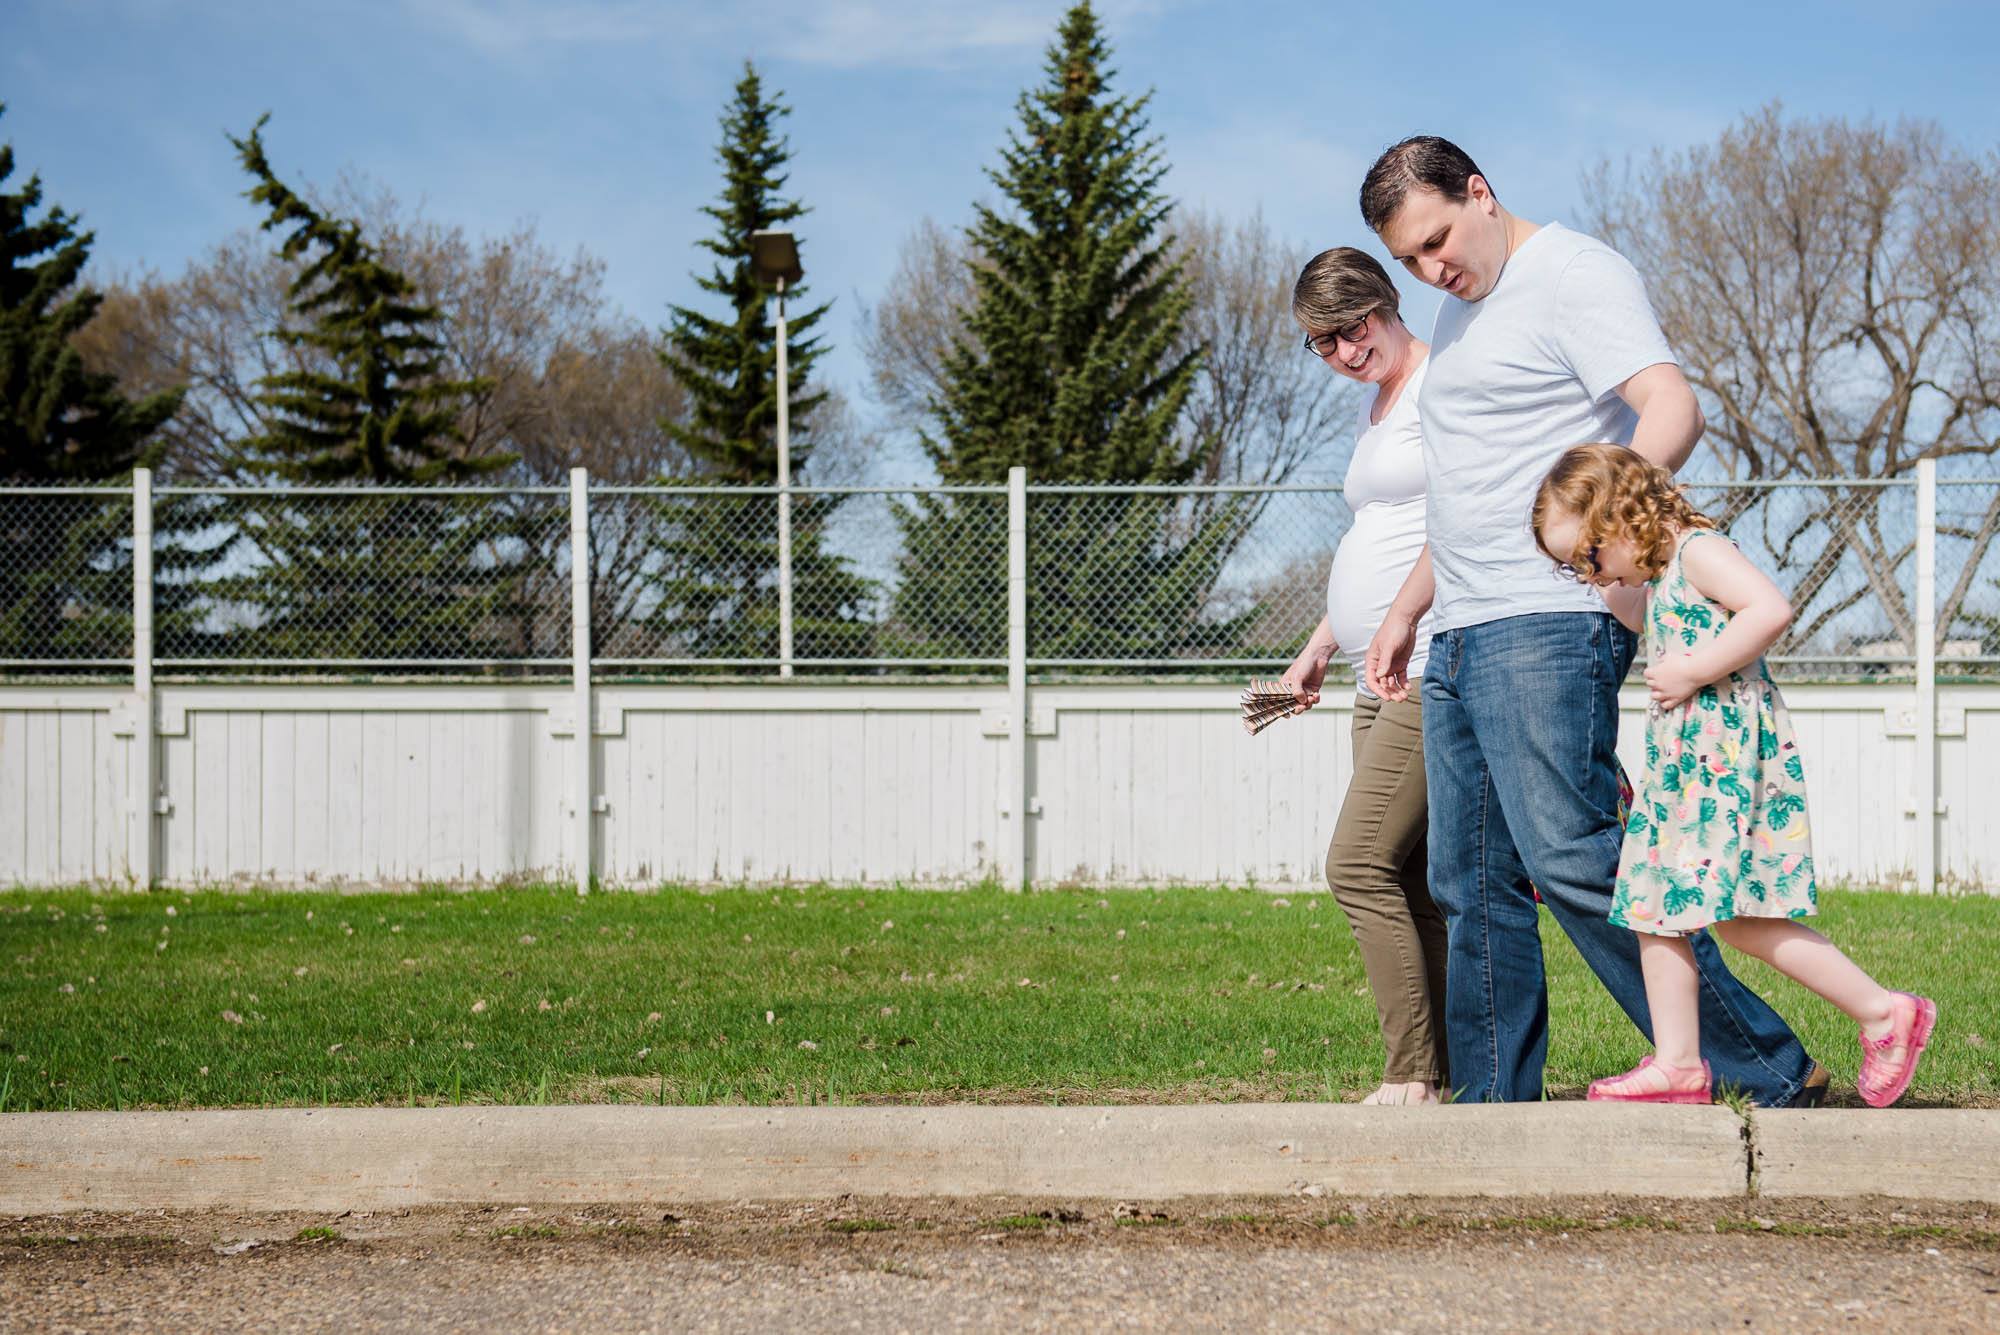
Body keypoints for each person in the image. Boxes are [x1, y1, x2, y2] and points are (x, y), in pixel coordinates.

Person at [1356, 135, 1825, 1105]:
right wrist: (1408, 607)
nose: (1431, 268)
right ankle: (1492, 1103)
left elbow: (1670, 408)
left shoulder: (1571, 273)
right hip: (1459, 628)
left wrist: (1593, 546)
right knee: (1467, 882)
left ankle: (1771, 1071)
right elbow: (1470, 487)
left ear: (1479, 193)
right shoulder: (1453, 319)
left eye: (1436, 240)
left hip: (1548, 621)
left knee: (1573, 863)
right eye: (1408, 260)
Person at [1531, 444, 1936, 1105]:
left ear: (1619, 516)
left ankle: (1885, 1012)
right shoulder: (1658, 574)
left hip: (1723, 756)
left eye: (1589, 555)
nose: (1586, 572)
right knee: (1652, 904)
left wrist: (1694, 668)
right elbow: (1631, 609)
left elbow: (1768, 608)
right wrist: (1607, 572)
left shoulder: (1697, 551)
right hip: (1684, 762)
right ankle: (1680, 1061)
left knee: (1742, 916)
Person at [1279, 247, 1446, 1107]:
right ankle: (1440, 1075)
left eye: (1354, 327)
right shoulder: (1376, 409)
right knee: (1408, 875)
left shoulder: (1440, 383)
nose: (1345, 351)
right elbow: (1375, 533)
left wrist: (1398, 618)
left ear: (1387, 302)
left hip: (1426, 663)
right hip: (1368, 672)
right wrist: (1320, 645)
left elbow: (1464, 517)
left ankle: (1412, 1071)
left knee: (1356, 864)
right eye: (1323, 342)